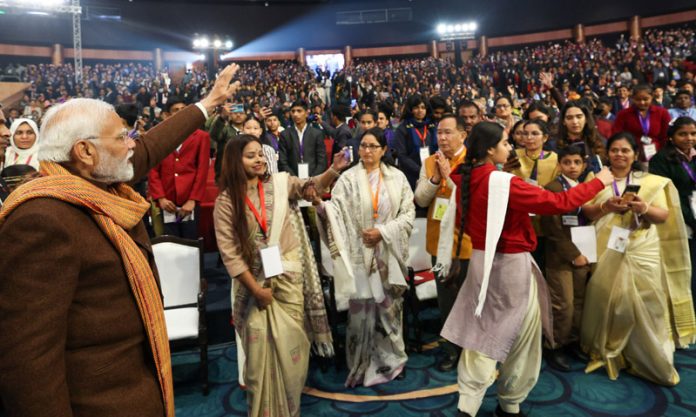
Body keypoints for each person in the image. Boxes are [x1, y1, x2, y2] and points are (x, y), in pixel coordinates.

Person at [0, 63, 240, 417]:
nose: (132, 144)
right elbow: (27, 363)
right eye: (121, 137)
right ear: (84, 151)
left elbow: (147, 150)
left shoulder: (92, 183)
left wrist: (207, 102)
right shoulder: (42, 220)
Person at [437, 121, 612, 417]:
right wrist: (599, 182)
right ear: (491, 150)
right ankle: (510, 404)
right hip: (509, 267)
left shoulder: (463, 177)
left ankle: (468, 406)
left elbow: (458, 223)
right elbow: (560, 202)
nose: (511, 147)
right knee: (522, 337)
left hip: (481, 261)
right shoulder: (503, 183)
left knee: (480, 336)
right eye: (506, 143)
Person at [213, 134, 349, 417]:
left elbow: (310, 188)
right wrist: (257, 291)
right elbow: (231, 256)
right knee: (258, 363)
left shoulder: (280, 183)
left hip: (288, 281)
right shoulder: (226, 203)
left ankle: (291, 410)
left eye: (261, 155)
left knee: (292, 354)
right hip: (254, 289)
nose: (260, 160)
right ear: (235, 161)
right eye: (251, 156)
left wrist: (333, 170)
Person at [581, 132, 696, 386]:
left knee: (648, 300)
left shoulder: (653, 181)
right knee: (606, 297)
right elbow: (585, 210)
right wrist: (607, 207)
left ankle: (648, 355)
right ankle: (611, 350)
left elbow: (663, 215)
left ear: (635, 154)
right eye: (614, 150)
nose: (619, 155)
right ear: (607, 153)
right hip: (607, 245)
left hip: (643, 247)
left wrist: (643, 208)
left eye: (625, 150)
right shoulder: (597, 178)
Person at [317, 127, 415, 387]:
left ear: (384, 150)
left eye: (373, 146)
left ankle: (394, 360)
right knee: (360, 313)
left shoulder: (397, 178)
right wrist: (321, 208)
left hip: (387, 252)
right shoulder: (347, 179)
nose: (367, 151)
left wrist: (382, 232)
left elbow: (407, 214)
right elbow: (336, 212)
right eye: (363, 146)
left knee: (389, 311)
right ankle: (360, 362)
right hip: (359, 252)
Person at [414, 114, 470, 372]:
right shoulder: (429, 162)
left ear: (462, 135)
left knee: (470, 297)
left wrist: (450, 179)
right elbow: (421, 200)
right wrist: (436, 178)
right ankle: (450, 349)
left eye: (448, 132)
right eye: (439, 133)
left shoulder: (473, 161)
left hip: (469, 243)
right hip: (439, 246)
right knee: (446, 298)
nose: (443, 138)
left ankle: (472, 350)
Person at [539, 147, 593, 372]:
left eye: (577, 162)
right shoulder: (553, 188)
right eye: (567, 162)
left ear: (583, 165)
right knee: (563, 305)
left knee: (580, 301)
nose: (572, 166)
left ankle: (572, 341)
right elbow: (552, 230)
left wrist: (585, 253)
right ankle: (554, 346)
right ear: (559, 165)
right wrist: (574, 255)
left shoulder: (584, 188)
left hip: (584, 250)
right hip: (560, 256)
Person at [148, 99, 210, 238]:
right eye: (176, 110)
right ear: (167, 115)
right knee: (170, 242)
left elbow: (202, 170)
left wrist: (193, 199)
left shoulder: (201, 136)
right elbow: (153, 170)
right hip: (166, 200)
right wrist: (161, 198)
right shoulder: (158, 136)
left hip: (190, 200)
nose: (181, 112)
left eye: (184, 109)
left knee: (191, 242)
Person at [649, 117, 696, 301]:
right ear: (671, 137)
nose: (689, 138)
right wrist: (691, 220)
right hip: (679, 223)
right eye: (682, 134)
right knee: (687, 270)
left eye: (693, 133)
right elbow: (665, 196)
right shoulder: (661, 160)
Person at [612, 84, 671, 164]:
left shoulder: (662, 113)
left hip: (657, 154)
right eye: (638, 99)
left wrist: (659, 149)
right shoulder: (623, 114)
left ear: (652, 97)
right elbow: (617, 135)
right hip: (632, 155)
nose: (642, 102)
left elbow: (666, 136)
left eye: (646, 99)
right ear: (632, 99)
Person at [393, 94, 437, 189]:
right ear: (410, 109)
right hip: (411, 175)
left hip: (432, 173)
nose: (420, 110)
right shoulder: (403, 128)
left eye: (423, 107)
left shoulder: (432, 127)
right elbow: (402, 155)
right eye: (416, 107)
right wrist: (421, 170)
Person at [552, 101, 607, 176]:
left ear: (586, 119)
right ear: (563, 121)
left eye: (579, 117)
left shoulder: (600, 142)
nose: (575, 122)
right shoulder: (553, 144)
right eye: (569, 118)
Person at [278, 99, 327, 178]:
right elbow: (282, 162)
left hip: (313, 179)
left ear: (307, 113)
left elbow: (322, 161)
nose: (295, 114)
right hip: (293, 180)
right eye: (293, 111)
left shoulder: (316, 134)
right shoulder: (285, 134)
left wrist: (312, 180)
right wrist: (295, 179)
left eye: (299, 111)